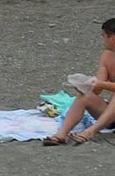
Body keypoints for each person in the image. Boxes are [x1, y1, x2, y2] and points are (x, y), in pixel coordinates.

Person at [45, 16, 115, 145]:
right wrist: (86, 86)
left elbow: (102, 84)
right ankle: (62, 134)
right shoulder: (107, 56)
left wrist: (101, 84)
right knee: (85, 96)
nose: (103, 40)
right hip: (111, 116)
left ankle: (91, 131)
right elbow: (98, 88)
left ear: (112, 38)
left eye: (103, 36)